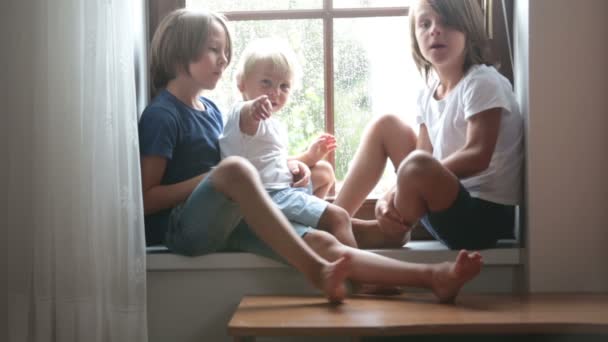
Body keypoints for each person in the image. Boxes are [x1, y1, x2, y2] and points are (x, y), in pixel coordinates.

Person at [139, 8, 483, 305]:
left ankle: (432, 276)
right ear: (179, 54)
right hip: (183, 230)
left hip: (230, 218)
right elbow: (147, 199)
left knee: (322, 239)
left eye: (226, 51)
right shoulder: (162, 115)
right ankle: (319, 271)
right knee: (235, 171)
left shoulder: (211, 110)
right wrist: (215, 178)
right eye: (214, 50)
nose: (224, 59)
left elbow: (245, 159)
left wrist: (290, 164)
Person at [334, 0, 524, 251]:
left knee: (417, 167)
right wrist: (392, 192)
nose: (434, 30)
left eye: (446, 21)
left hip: (481, 217)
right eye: (425, 24)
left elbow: (478, 156)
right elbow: (422, 154)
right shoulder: (428, 93)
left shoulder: (482, 82)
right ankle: (333, 218)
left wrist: (400, 186)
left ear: (469, 28)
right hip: (443, 205)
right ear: (415, 37)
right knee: (387, 125)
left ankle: (386, 232)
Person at [219, 38, 357, 248]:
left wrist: (309, 157)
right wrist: (254, 108)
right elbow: (248, 115)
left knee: (325, 172)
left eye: (284, 86)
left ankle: (305, 224)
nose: (275, 92)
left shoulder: (273, 124)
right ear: (241, 83)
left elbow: (270, 160)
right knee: (340, 217)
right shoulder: (241, 113)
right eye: (266, 82)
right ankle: (360, 280)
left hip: (283, 190)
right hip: (267, 197)